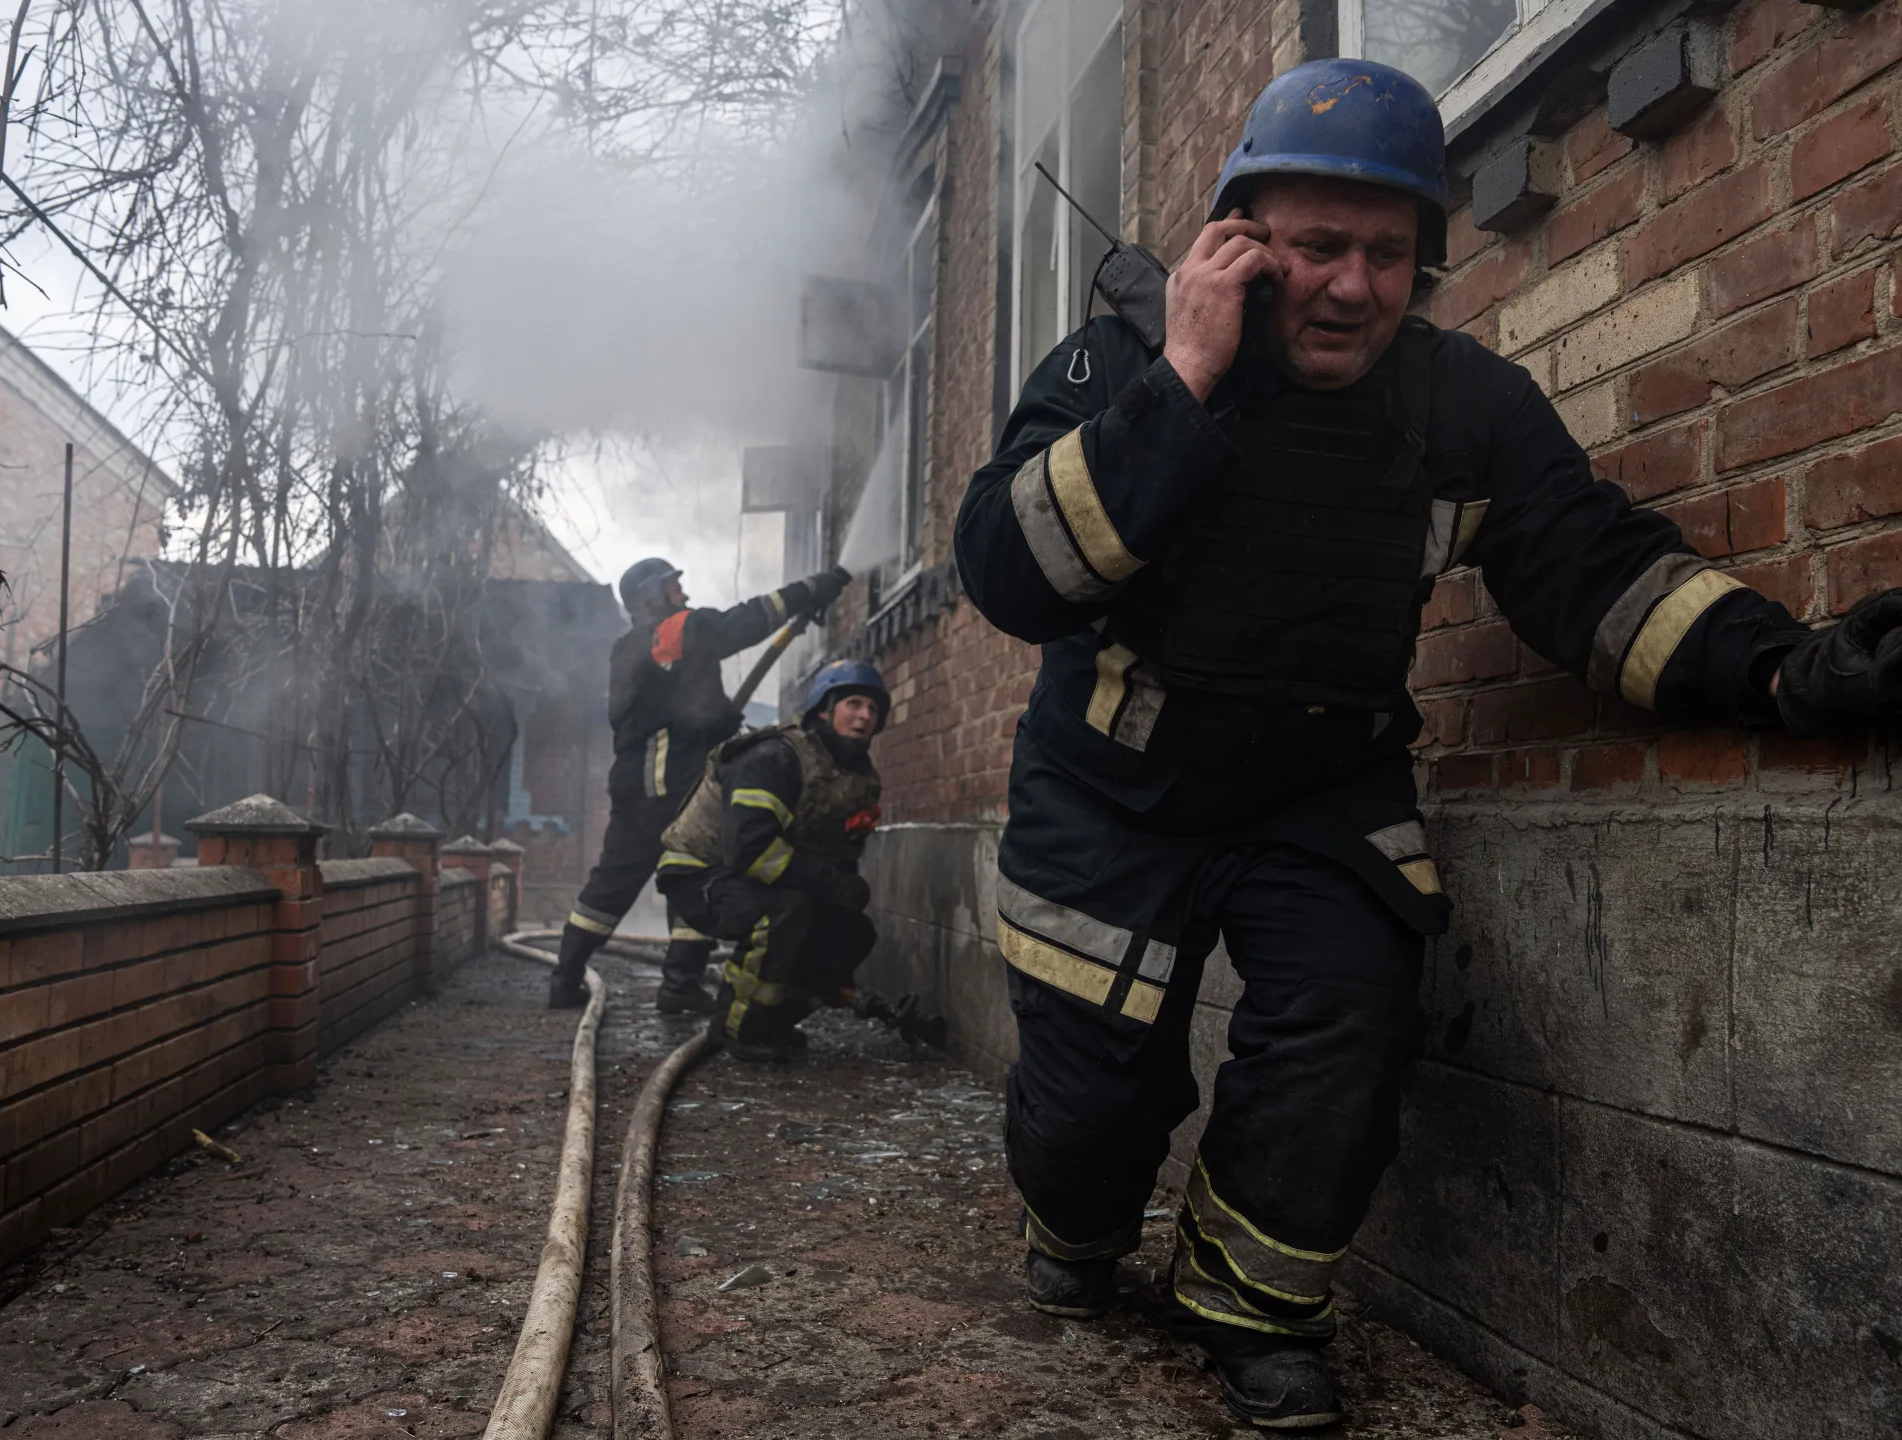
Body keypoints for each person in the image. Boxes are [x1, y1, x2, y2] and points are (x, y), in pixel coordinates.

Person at [953, 58, 1902, 1430]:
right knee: (1092, 1110)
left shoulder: (1461, 406)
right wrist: (1183, 381)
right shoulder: (1119, 362)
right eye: (1317, 247)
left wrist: (1785, 666)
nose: (1351, 286)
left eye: (1387, 254)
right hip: (1112, 791)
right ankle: (1080, 1232)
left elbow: (1590, 575)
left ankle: (1251, 1306)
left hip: (1318, 785)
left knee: (1348, 1015)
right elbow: (1007, 574)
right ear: (1239, 241)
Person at [548, 556, 851, 1010]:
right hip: (666, 785)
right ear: (653, 596)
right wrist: (811, 588)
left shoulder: (635, 645)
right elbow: (743, 622)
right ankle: (677, 985)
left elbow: (680, 702)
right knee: (691, 870)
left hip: (646, 784)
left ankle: (578, 978)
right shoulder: (671, 630)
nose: (684, 596)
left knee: (639, 880)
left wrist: (717, 719)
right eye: (674, 588)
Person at [655, 660, 889, 1061]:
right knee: (785, 911)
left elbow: (831, 851)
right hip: (699, 873)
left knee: (853, 932)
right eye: (853, 703)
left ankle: (771, 1022)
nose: (865, 715)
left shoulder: (853, 776)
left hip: (761, 877)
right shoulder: (774, 759)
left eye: (873, 708)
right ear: (824, 708)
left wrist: (841, 894)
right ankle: (736, 1027)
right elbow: (750, 851)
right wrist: (830, 883)